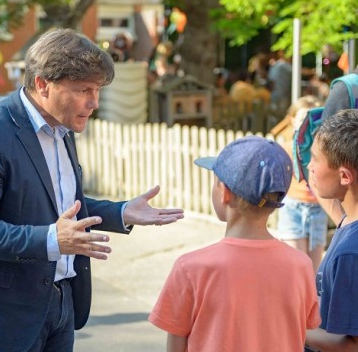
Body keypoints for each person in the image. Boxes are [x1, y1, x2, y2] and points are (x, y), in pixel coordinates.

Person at [0, 28, 184, 352]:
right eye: (84, 89)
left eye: (97, 90)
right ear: (42, 84)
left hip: (61, 301)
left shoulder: (63, 127)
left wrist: (120, 211)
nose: (94, 102)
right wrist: (51, 240)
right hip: (5, 313)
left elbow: (62, 205)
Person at [149, 136, 320, 352]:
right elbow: (305, 329)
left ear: (225, 193)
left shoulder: (190, 268)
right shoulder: (301, 266)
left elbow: (175, 347)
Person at [305, 109, 358, 351]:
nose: (309, 166)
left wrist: (289, 322)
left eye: (315, 159)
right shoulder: (348, 220)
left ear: (345, 176)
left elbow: (350, 345)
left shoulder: (351, 253)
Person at [276, 96, 328, 274]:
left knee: (314, 270)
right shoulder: (285, 147)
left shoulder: (323, 150)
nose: (307, 125)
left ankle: (313, 301)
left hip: (317, 209)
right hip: (293, 208)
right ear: (292, 121)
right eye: (302, 119)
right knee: (297, 267)